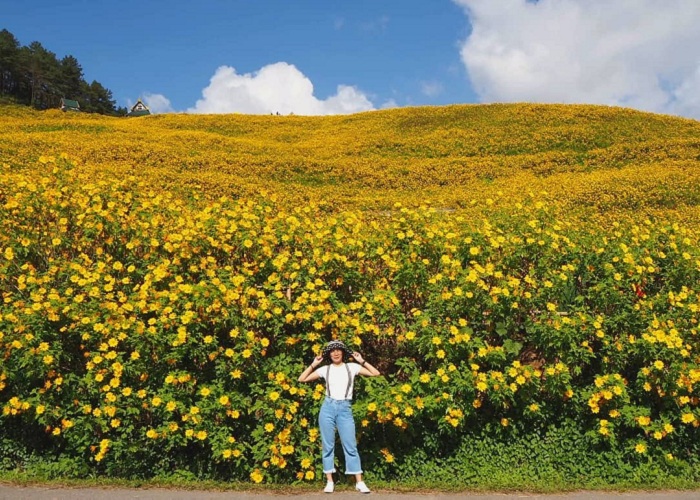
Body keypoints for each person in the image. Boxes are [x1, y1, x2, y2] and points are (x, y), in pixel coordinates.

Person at [298, 340, 381, 494]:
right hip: (328, 408)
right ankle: (330, 481)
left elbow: (375, 373)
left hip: (345, 408)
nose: (335, 353)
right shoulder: (325, 369)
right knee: (328, 445)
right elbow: (301, 379)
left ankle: (359, 482)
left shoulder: (352, 367)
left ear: (343, 352)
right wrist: (313, 364)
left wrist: (361, 360)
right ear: (329, 354)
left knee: (350, 445)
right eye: (332, 351)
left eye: (338, 350)